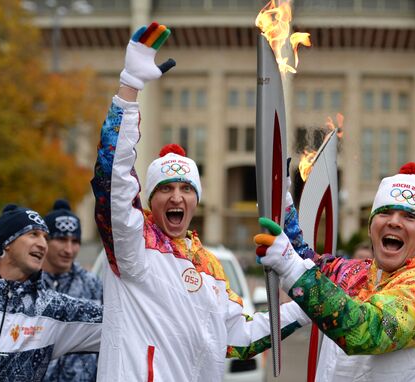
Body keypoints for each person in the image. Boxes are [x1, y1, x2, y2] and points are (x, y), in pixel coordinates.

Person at [91, 22, 307, 381]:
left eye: (186, 189)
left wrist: (306, 304)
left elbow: (240, 338)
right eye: (165, 189)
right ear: (150, 198)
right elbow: (111, 182)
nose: (176, 196)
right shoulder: (132, 245)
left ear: (196, 200)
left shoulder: (209, 267)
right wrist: (129, 89)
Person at [254, 162, 415, 381]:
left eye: (409, 217)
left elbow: (365, 331)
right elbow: (309, 265)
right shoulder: (358, 274)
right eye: (385, 213)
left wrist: (290, 266)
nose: (394, 222)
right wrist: (282, 208)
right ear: (371, 228)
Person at [0, 204, 102, 382]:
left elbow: (123, 323)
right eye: (33, 234)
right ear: (7, 242)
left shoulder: (53, 308)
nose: (42, 244)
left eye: (45, 237)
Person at [42, 199, 103, 382]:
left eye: (75, 241)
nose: (69, 249)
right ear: (45, 240)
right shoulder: (28, 283)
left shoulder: (93, 284)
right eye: (61, 239)